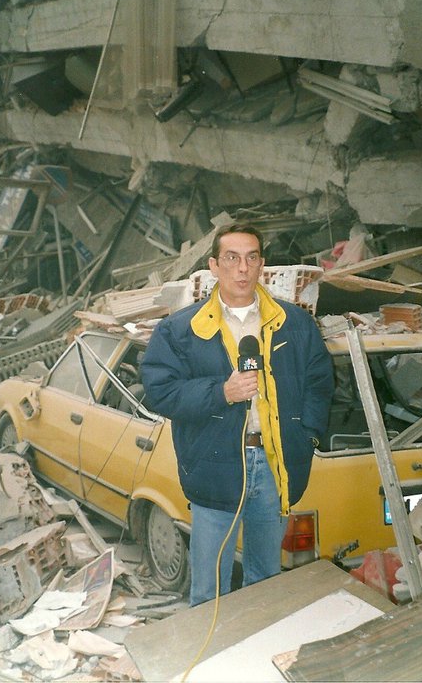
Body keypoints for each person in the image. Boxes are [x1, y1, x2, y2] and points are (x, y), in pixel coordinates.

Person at [141, 223, 334, 606]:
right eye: (231, 258)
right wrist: (221, 392)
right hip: (214, 469)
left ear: (262, 264)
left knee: (265, 582)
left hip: (275, 467)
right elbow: (160, 392)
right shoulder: (180, 330)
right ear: (214, 266)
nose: (242, 268)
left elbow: (320, 383)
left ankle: (258, 641)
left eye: (251, 258)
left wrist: (306, 436)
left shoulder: (295, 324)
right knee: (209, 591)